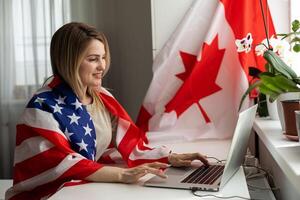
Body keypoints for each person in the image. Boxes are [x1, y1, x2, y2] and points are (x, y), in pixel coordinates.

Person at [5, 22, 208, 200]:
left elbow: (122, 146)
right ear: (69, 61)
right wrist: (121, 175)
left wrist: (169, 157)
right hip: (52, 194)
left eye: (103, 57)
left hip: (89, 190)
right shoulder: (41, 106)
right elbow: (59, 163)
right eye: (93, 59)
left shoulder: (102, 97)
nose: (102, 66)